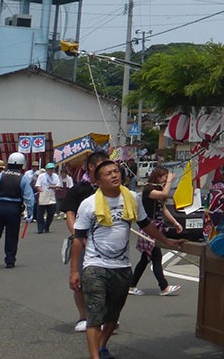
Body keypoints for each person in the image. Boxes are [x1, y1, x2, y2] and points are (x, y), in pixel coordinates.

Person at [69, 159, 185, 359]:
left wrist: (167, 241)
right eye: (108, 173)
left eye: (116, 171)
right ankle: (95, 356)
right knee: (95, 316)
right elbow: (79, 239)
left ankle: (102, 346)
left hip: (122, 267)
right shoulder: (88, 205)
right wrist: (74, 271)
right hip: (94, 266)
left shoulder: (131, 198)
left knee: (113, 316)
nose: (114, 175)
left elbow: (145, 224)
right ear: (97, 181)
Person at [61, 151, 106, 332]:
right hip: (83, 242)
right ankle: (83, 317)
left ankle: (104, 316)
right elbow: (69, 214)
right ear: (91, 167)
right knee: (79, 279)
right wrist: (78, 235)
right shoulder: (79, 189)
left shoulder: (112, 190)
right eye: (103, 166)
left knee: (105, 281)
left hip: (106, 243)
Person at [128, 167, 183, 297]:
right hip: (149, 227)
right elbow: (165, 195)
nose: (165, 180)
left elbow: (163, 209)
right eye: (164, 177)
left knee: (146, 258)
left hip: (156, 227)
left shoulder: (157, 189)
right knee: (155, 257)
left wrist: (175, 223)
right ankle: (164, 286)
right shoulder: (148, 189)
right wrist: (170, 180)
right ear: (157, 177)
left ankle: (131, 285)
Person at [0, 151, 34, 270]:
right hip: (14, 208)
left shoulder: (0, 176)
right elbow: (29, 198)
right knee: (11, 235)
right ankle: (10, 260)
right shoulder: (23, 179)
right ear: (21, 165)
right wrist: (30, 213)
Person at [34, 162, 62, 234]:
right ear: (46, 170)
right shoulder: (41, 176)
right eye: (49, 169)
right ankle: (40, 228)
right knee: (40, 214)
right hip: (43, 195)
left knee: (51, 214)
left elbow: (58, 185)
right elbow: (38, 185)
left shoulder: (55, 176)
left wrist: (52, 187)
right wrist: (41, 190)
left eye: (52, 169)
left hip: (51, 196)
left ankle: (47, 227)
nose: (51, 170)